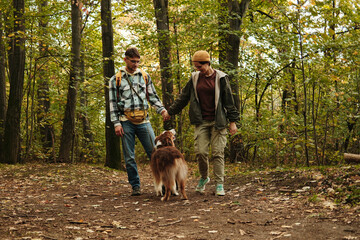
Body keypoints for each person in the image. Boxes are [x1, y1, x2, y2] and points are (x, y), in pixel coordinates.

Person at [164, 50, 239, 196]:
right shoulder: (194, 78)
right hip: (201, 121)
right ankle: (204, 178)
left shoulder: (221, 78)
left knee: (218, 153)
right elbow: (183, 98)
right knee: (201, 152)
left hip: (219, 121)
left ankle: (219, 184)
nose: (198, 70)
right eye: (196, 67)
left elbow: (229, 101)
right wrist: (170, 112)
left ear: (207, 63)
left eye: (200, 67)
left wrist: (233, 121)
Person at [109, 47, 169, 196]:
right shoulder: (116, 79)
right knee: (129, 157)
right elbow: (112, 103)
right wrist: (116, 123)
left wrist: (161, 110)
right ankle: (135, 185)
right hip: (125, 121)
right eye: (132, 61)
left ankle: (163, 185)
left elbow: (153, 96)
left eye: (137, 61)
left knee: (155, 153)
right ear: (125, 60)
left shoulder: (144, 76)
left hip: (144, 120)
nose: (135, 64)